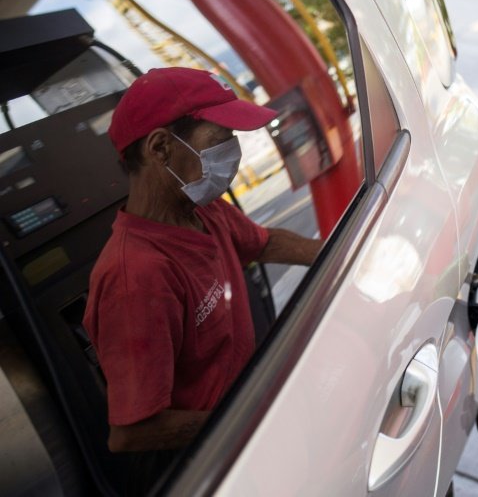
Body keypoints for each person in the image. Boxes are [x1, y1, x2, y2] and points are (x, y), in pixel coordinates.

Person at [83, 67, 322, 490]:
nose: (233, 153)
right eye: (219, 141)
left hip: (251, 430)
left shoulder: (201, 208)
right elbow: (131, 433)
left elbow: (263, 243)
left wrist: (345, 257)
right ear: (160, 148)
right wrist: (249, 418)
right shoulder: (135, 277)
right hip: (211, 465)